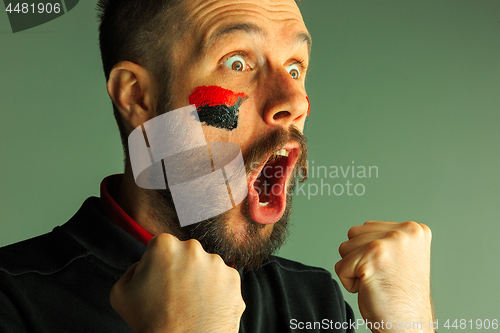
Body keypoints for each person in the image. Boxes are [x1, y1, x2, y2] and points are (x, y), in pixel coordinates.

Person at [0, 0, 435, 332]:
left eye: (295, 67)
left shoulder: (313, 303)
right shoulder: (13, 302)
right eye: (238, 63)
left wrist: (411, 324)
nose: (294, 102)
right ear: (137, 98)